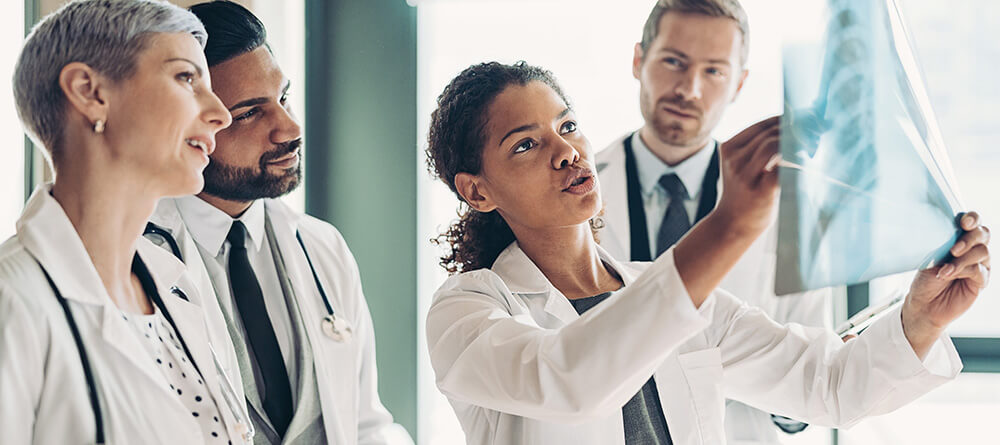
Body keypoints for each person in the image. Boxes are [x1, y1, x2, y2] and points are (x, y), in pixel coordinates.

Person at [423, 61, 990, 445]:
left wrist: (920, 319)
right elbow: (571, 379)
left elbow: (830, 384)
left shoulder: (677, 300)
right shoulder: (468, 314)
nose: (567, 151)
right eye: (526, 143)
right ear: (476, 190)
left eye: (567, 125)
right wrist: (729, 225)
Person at [144, 2, 412, 444]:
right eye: (249, 112)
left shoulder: (322, 247)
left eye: (283, 98)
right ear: (185, 127)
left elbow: (364, 424)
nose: (289, 128)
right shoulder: (136, 259)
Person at [0, 0, 243, 443]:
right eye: (186, 77)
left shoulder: (177, 285)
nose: (221, 114)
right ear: (90, 92)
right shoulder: (11, 300)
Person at [594, 1, 829, 441]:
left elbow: (810, 383)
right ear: (638, 60)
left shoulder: (788, 207)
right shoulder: (576, 192)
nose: (690, 89)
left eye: (715, 71)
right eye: (673, 62)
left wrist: (801, 389)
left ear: (739, 83)